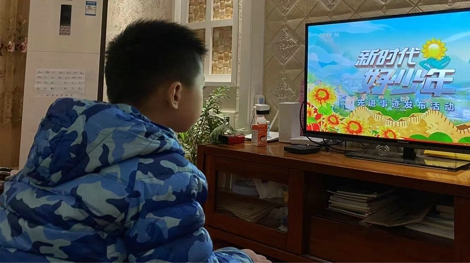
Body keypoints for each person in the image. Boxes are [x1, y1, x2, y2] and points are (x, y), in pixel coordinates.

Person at [0, 20, 269, 262]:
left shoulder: (55, 143)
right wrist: (242, 259)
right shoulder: (163, 176)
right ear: (176, 94)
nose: (202, 94)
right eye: (201, 86)